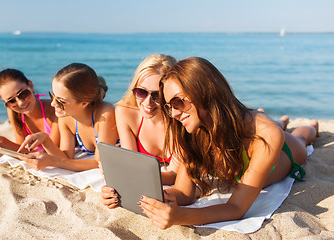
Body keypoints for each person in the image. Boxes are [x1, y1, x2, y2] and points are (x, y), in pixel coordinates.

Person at [138, 57, 319, 229]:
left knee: (301, 139)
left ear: (205, 92)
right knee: (268, 124)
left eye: (178, 102)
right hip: (243, 126)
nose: (175, 114)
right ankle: (280, 121)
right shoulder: (191, 129)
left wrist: (180, 216)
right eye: (169, 106)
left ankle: (310, 126)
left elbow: (236, 208)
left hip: (285, 153)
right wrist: (148, 199)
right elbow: (184, 193)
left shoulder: (267, 135)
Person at [101, 54, 180, 209]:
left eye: (157, 95)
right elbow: (131, 164)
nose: (147, 102)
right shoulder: (125, 112)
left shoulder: (180, 118)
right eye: (141, 92)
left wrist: (128, 176)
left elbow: (174, 176)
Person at [17, 63, 119, 172]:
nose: (53, 104)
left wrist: (53, 161)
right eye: (52, 95)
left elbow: (98, 162)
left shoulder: (105, 114)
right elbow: (66, 158)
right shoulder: (66, 118)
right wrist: (45, 139)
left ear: (84, 103)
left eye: (61, 101)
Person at [0, 69, 60, 157]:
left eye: (23, 94)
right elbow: (22, 148)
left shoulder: (53, 109)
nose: (20, 103)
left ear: (30, 85)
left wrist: (2, 145)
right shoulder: (13, 111)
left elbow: (51, 153)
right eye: (11, 100)